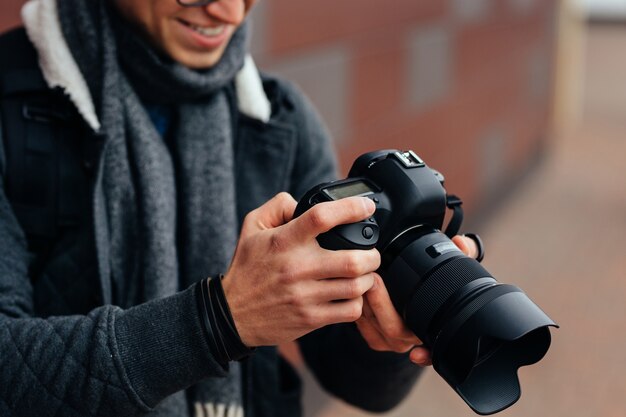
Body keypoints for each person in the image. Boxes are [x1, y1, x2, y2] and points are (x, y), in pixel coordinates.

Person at [0, 0, 481, 416]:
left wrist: (393, 331)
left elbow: (356, 383)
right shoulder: (10, 106)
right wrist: (219, 319)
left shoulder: (279, 119)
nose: (228, 12)